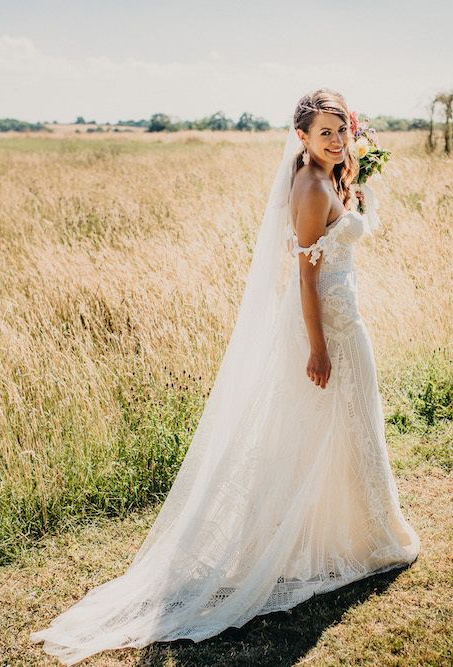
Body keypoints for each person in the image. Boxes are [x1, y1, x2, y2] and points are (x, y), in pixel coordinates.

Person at [29, 89, 420, 666]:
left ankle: (352, 531)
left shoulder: (328, 175)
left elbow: (337, 238)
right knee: (340, 417)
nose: (337, 140)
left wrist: (354, 179)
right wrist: (318, 348)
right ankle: (350, 538)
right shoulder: (310, 186)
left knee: (343, 424)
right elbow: (306, 279)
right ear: (303, 139)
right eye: (326, 133)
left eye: (343, 130)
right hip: (329, 325)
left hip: (345, 314)